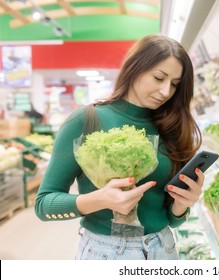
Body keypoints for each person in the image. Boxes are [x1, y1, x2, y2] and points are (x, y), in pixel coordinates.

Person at [34, 34, 203, 260]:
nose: (165, 92)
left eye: (174, 84)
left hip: (163, 248)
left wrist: (183, 204)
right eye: (158, 77)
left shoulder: (171, 128)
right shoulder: (87, 120)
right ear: (135, 68)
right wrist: (100, 199)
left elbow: (172, 219)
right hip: (106, 252)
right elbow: (44, 204)